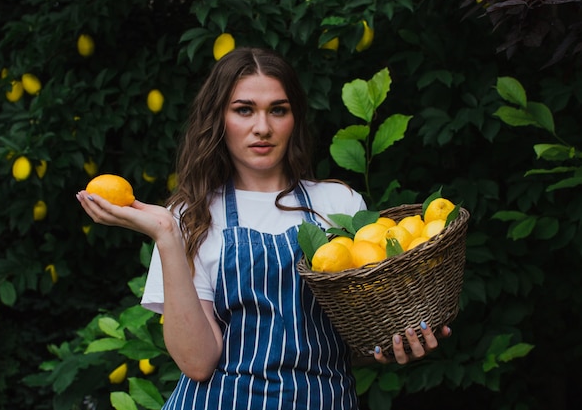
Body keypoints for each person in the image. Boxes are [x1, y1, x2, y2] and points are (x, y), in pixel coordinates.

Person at [76, 47, 451, 409]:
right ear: (219, 118)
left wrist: (392, 343)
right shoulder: (190, 216)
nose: (263, 127)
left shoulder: (339, 206)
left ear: (295, 118)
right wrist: (167, 236)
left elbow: (358, 341)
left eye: (278, 110)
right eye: (244, 110)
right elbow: (197, 362)